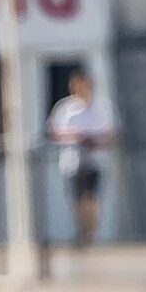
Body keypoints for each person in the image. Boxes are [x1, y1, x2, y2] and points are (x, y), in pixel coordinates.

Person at [46, 70, 118, 246]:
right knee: (78, 199)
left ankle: (90, 233)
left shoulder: (102, 107)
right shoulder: (65, 109)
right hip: (72, 161)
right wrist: (75, 136)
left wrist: (95, 140)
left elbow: (111, 134)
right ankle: (82, 231)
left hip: (95, 160)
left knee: (91, 198)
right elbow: (53, 131)